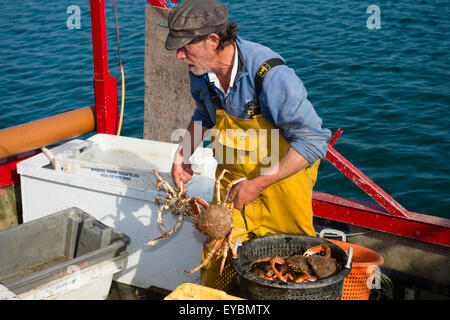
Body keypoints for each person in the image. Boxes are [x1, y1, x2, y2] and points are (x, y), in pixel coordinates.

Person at [165, 0, 331, 293]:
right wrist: (183, 154)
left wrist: (259, 183)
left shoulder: (269, 74)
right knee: (216, 255)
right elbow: (204, 116)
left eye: (184, 46)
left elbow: (313, 142)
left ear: (212, 40)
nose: (179, 55)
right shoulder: (200, 71)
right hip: (233, 188)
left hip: (282, 191)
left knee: (290, 268)